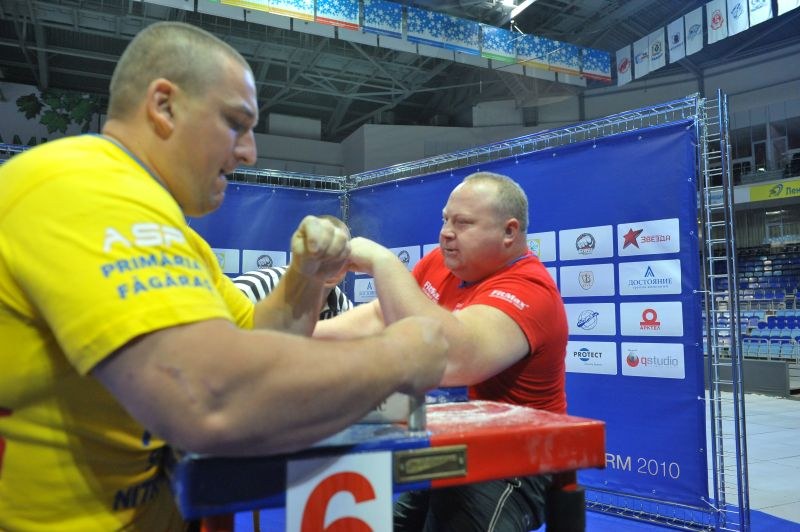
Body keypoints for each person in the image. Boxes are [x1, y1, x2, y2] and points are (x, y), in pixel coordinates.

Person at [0, 22, 447, 531]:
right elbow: (212, 398)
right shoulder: (85, 188)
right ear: (164, 106)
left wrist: (307, 280)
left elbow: (255, 341)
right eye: (236, 123)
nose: (250, 152)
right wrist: (401, 354)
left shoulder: (177, 235)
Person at [315, 172, 568, 531]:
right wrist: (295, 336)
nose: (447, 232)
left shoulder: (531, 290)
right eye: (445, 219)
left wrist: (383, 264)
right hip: (455, 446)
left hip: (519, 461)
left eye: (463, 223)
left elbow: (453, 360)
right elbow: (380, 315)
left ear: (510, 232)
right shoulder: (440, 262)